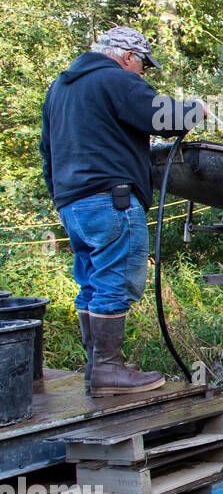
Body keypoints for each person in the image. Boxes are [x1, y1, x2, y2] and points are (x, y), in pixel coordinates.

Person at [40, 26, 207, 396]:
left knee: (91, 282)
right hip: (111, 199)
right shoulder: (115, 80)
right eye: (143, 65)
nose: (143, 73)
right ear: (127, 56)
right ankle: (108, 370)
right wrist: (196, 110)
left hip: (73, 204)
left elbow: (46, 151)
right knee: (116, 282)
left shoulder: (59, 88)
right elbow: (163, 118)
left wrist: (62, 198)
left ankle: (97, 366)